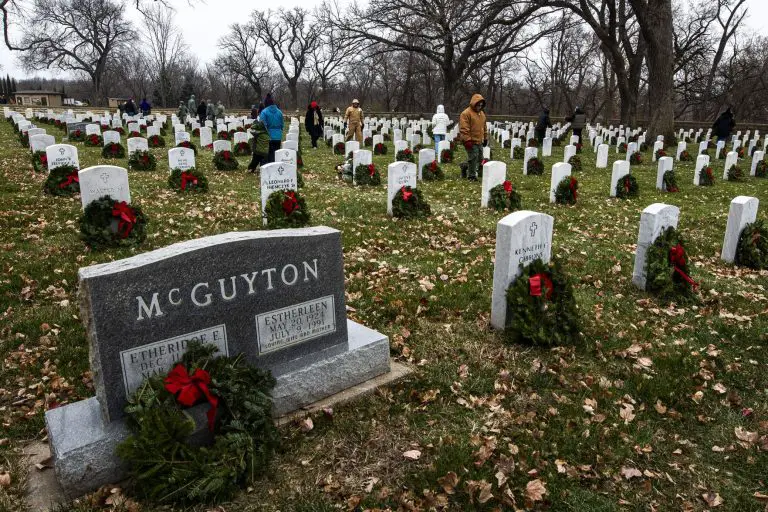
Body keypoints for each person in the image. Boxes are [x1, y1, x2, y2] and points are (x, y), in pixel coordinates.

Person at [459, 94, 488, 181]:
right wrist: (467, 140)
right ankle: (471, 176)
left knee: (480, 158)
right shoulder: (466, 113)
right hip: (470, 140)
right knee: (473, 158)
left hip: (479, 140)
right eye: (478, 105)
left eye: (481, 105)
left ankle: (466, 167)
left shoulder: (482, 114)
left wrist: (485, 138)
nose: (479, 107)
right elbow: (464, 128)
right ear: (474, 103)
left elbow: (484, 127)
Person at [258, 93, 283, 163]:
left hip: (268, 136)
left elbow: (262, 125)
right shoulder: (279, 112)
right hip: (278, 136)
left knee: (267, 155)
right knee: (276, 154)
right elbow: (282, 125)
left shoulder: (264, 112)